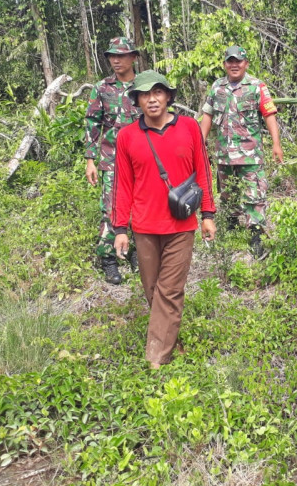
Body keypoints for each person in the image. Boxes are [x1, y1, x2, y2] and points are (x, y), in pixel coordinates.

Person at [111, 70, 216, 369]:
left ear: (168, 96)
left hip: (181, 225)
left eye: (157, 92)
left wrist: (208, 214)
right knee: (153, 290)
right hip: (144, 227)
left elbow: (203, 172)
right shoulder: (127, 136)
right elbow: (122, 186)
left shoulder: (190, 128)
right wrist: (120, 228)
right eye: (145, 94)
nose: (152, 99)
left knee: (169, 291)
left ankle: (155, 359)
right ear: (138, 100)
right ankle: (171, 340)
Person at [200, 45, 283, 258]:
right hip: (224, 155)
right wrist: (199, 144)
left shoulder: (256, 87)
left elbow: (269, 114)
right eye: (230, 61)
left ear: (245, 63)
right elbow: (207, 116)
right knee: (228, 195)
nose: (234, 64)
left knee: (254, 195)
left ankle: (256, 236)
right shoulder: (217, 87)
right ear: (225, 64)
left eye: (238, 61)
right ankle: (231, 230)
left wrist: (276, 144)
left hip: (250, 154)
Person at [84, 37, 141, 285]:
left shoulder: (145, 85)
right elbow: (91, 123)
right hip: (112, 160)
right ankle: (108, 259)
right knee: (111, 210)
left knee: (141, 208)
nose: (116, 60)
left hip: (142, 160)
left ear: (133, 57)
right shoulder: (102, 88)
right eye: (112, 56)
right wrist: (90, 159)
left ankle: (137, 253)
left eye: (121, 55)